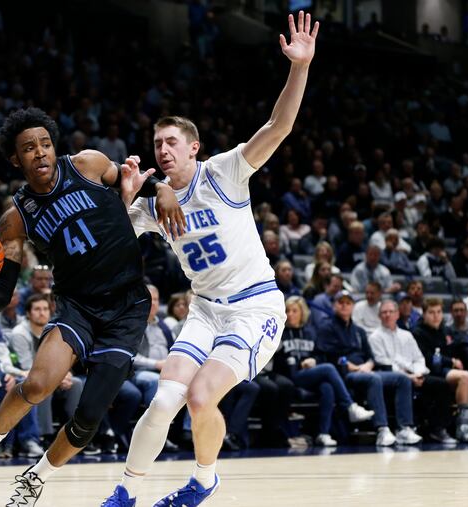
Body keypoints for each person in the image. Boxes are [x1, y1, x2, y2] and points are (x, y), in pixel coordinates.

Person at [103, 13, 317, 506]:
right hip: (204, 308)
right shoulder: (153, 203)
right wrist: (132, 194)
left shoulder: (226, 171)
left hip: (254, 308)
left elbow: (279, 126)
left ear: (194, 147)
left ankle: (203, 481)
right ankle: (126, 493)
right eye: (157, 143)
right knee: (163, 400)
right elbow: (113, 243)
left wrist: (299, 68)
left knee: (200, 398)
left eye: (172, 142)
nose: (163, 149)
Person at [0, 106, 182, 504]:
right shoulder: (15, 220)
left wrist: (166, 189)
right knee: (36, 384)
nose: (40, 153)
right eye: (29, 148)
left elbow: (133, 180)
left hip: (127, 308)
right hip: (77, 306)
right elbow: (1, 293)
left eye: (45, 144)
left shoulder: (88, 164)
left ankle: (36, 477)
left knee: (87, 420)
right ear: (16, 159)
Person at [317, 291, 422, 447]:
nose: (344, 306)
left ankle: (404, 428)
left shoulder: (358, 331)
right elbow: (327, 355)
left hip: (365, 370)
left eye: (348, 303)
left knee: (402, 378)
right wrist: (350, 365)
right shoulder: (327, 328)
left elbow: (371, 356)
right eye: (341, 303)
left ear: (353, 306)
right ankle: (382, 429)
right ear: (334, 306)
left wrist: (368, 365)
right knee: (374, 378)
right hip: (344, 374)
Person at [273, 296, 374, 446]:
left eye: (295, 311)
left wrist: (313, 360)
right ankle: (350, 406)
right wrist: (290, 362)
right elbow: (276, 361)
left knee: (327, 387)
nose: (290, 314)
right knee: (328, 368)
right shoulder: (280, 333)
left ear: (302, 313)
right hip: (291, 376)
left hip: (310, 374)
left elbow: (320, 355)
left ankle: (323, 433)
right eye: (287, 311)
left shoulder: (311, 333)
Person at [368, 300, 456, 443]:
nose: (388, 315)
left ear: (397, 314)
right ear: (379, 316)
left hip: (415, 374)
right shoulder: (374, 337)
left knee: (441, 385)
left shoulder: (407, 335)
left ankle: (438, 429)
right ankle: (404, 428)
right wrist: (409, 376)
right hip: (393, 376)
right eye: (384, 312)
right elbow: (383, 362)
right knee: (405, 383)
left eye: (391, 312)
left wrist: (419, 374)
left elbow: (418, 358)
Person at [10, 294, 84, 442]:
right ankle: (45, 436)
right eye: (37, 309)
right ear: (28, 314)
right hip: (24, 376)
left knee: (76, 383)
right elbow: (27, 365)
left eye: (45, 309)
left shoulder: (56, 330)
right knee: (41, 385)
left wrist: (65, 374)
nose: (42, 312)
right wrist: (57, 377)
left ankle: (72, 434)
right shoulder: (19, 333)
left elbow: (62, 358)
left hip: (52, 376)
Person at [412, 298, 468, 442]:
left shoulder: (446, 329)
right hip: (429, 371)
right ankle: (463, 425)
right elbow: (426, 358)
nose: (436, 316)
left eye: (438, 312)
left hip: (447, 370)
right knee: (463, 377)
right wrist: (450, 361)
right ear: (424, 314)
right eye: (431, 312)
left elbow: (462, 346)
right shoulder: (417, 332)